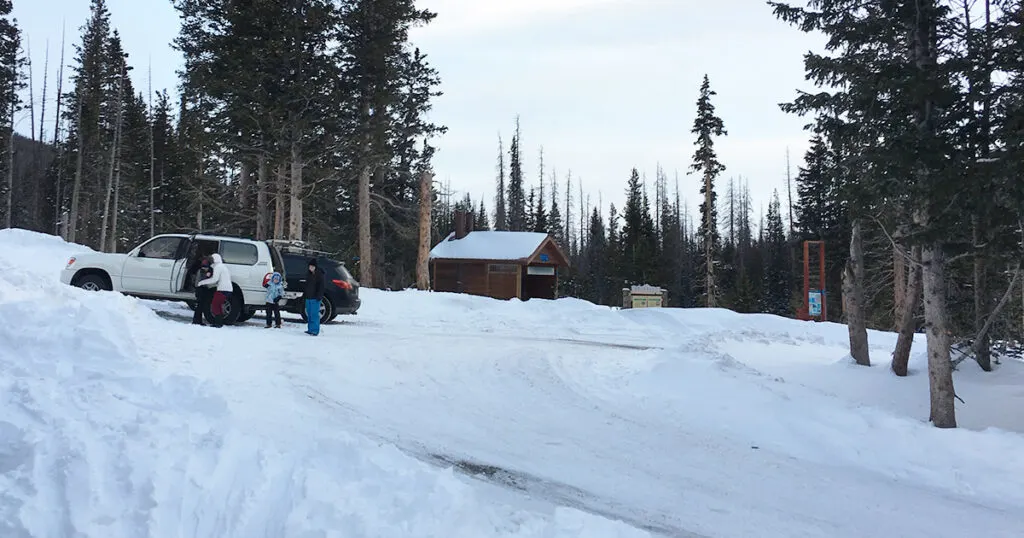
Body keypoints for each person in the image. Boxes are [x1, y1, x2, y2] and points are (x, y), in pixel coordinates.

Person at [197, 253, 233, 328]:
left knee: (215, 305)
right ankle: (219, 322)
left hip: (222, 289)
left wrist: (201, 282)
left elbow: (214, 279)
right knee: (218, 305)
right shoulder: (223, 267)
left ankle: (218, 323)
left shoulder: (218, 267)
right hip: (227, 289)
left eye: (211, 260)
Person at [303, 258, 326, 336]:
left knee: (314, 314)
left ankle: (315, 330)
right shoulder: (308, 274)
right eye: (310, 266)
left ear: (315, 267)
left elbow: (321, 287)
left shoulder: (319, 274)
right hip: (308, 297)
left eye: (312, 266)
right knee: (309, 314)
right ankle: (310, 329)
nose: (311, 268)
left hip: (315, 298)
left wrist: (319, 296)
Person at [191, 256, 214, 326]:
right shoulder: (202, 272)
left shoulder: (200, 270)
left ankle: (197, 320)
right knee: (200, 306)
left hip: (199, 289)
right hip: (201, 289)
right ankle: (196, 321)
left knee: (199, 306)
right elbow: (205, 279)